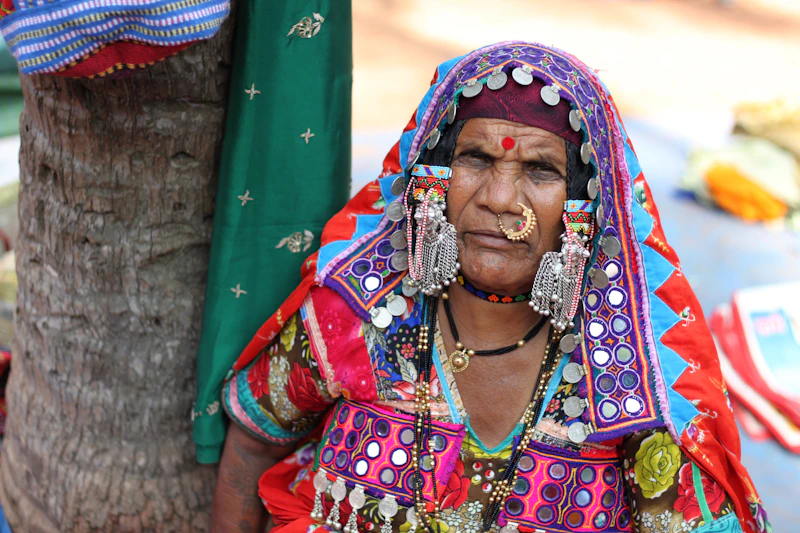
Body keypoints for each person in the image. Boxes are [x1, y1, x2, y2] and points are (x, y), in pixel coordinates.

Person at [210, 42, 771, 533]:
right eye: (475, 158)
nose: (500, 199)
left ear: (584, 209)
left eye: (541, 170)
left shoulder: (630, 376)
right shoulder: (360, 314)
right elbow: (254, 443)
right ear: (432, 182)